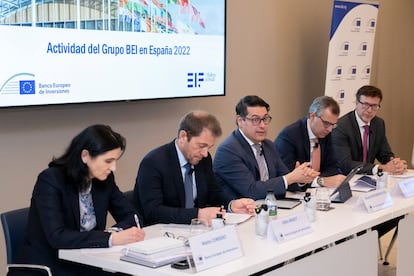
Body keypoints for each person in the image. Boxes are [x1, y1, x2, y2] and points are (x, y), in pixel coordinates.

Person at [15, 125, 145, 276]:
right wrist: (110, 238)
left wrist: (115, 232)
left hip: (86, 260)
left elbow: (133, 216)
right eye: (108, 161)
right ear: (85, 156)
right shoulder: (51, 180)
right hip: (50, 264)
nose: (113, 168)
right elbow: (58, 237)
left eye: (115, 161)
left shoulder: (104, 179)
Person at [134, 111, 256, 226]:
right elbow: (153, 212)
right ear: (183, 136)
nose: (205, 153)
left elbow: (214, 193)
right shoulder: (153, 163)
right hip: (161, 234)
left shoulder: (203, 159)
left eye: (209, 147)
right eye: (201, 146)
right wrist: (198, 214)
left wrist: (231, 204)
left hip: (196, 230)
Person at [213, 95, 319, 200]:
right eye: (255, 120)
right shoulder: (228, 151)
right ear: (240, 121)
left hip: (270, 207)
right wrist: (290, 178)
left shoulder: (268, 145)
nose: (263, 125)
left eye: (265, 119)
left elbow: (285, 181)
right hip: (241, 213)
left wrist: (300, 177)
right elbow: (251, 191)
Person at [331, 85, 407, 175]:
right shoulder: (341, 127)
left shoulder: (378, 123)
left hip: (368, 177)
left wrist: (394, 163)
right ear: (356, 103)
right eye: (365, 105)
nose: (370, 110)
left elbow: (384, 153)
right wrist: (379, 168)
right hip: (345, 177)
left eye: (374, 106)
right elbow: (345, 164)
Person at [274, 96, 346, 188]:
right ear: (312, 116)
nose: (330, 129)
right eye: (326, 123)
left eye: (333, 125)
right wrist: (320, 181)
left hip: (316, 192)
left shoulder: (325, 134)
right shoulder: (289, 136)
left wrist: (320, 179)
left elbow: (332, 167)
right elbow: (288, 177)